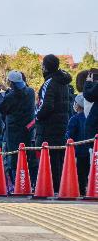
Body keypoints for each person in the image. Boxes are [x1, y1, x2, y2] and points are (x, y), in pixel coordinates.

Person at [35, 55, 72, 193]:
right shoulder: (63, 82)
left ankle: (49, 187)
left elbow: (46, 106)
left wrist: (37, 116)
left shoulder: (49, 83)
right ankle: (59, 186)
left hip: (48, 126)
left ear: (45, 67)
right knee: (58, 157)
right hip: (62, 123)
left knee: (47, 157)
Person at [0, 71, 37, 183]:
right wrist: (8, 91)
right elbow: (19, 94)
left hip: (13, 131)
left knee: (14, 157)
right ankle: (29, 182)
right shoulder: (31, 92)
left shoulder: (10, 97)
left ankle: (18, 183)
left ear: (10, 82)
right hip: (28, 129)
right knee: (27, 155)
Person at [67, 95, 89, 196]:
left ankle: (81, 191)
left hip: (79, 151)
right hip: (89, 150)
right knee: (89, 171)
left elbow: (69, 136)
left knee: (80, 173)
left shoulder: (74, 119)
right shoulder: (90, 117)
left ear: (78, 105)